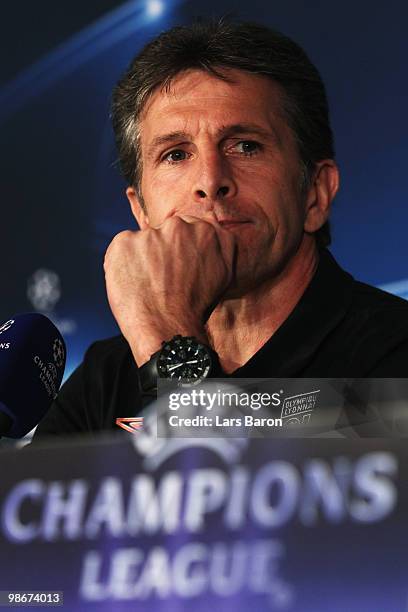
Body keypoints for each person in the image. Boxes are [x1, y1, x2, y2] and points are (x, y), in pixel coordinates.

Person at [33, 20, 408, 438]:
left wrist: (166, 346)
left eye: (246, 145)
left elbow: (225, 494)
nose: (210, 180)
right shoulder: (103, 379)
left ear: (315, 194)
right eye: (176, 154)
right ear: (141, 213)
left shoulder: (394, 354)